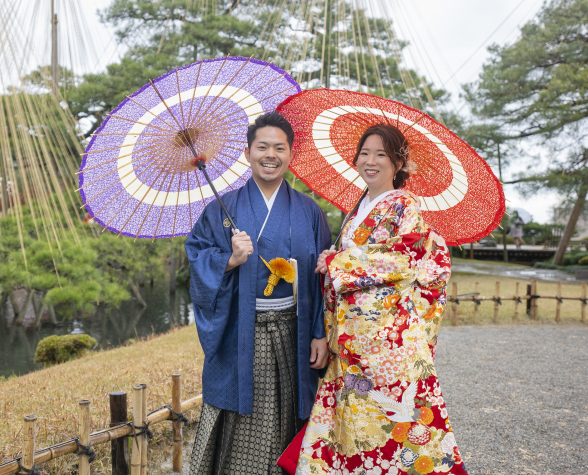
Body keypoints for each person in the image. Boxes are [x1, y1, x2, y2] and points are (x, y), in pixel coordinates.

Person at [295, 124, 468, 475]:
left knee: (392, 425)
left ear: (398, 164)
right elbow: (359, 260)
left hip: (387, 345)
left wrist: (338, 262)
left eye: (381, 155)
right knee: (355, 428)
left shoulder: (405, 205)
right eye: (364, 153)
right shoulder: (358, 209)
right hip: (351, 339)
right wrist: (334, 257)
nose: (370, 161)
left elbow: (404, 259)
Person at [185, 112, 332, 475]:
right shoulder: (224, 209)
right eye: (262, 146)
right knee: (242, 414)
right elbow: (197, 257)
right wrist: (230, 260)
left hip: (294, 334)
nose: (271, 155)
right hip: (240, 331)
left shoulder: (309, 211)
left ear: (290, 154)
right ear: (248, 152)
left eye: (279, 148)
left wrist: (319, 333)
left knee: (291, 411)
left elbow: (320, 282)